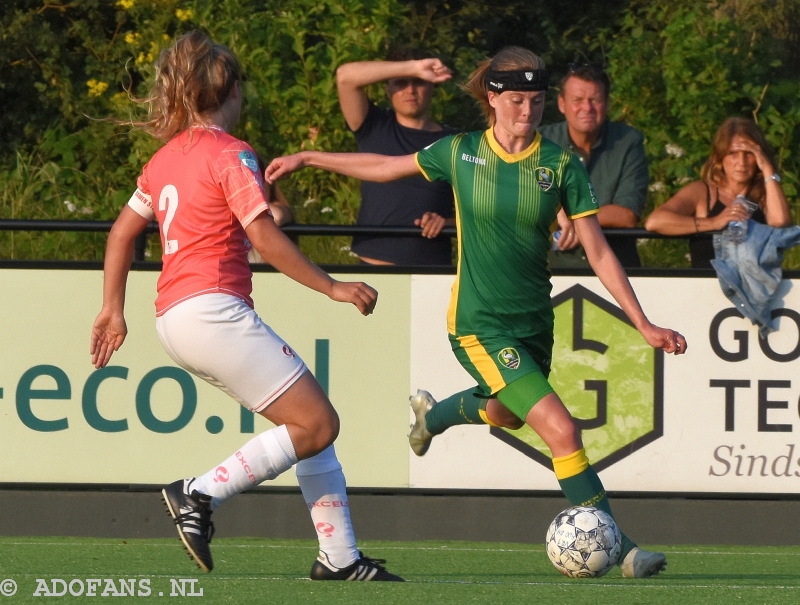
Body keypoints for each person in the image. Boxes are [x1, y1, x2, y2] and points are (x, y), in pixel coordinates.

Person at [266, 46, 687, 579]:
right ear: (492, 98)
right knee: (561, 430)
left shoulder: (559, 164)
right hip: (479, 325)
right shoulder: (461, 152)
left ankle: (432, 415)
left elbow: (598, 250)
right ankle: (624, 550)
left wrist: (642, 324)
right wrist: (310, 157)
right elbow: (383, 167)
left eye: (535, 101)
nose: (527, 112)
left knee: (507, 413)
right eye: (515, 100)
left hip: (535, 323)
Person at [90, 30, 402, 582]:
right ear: (232, 91)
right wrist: (333, 287)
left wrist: (113, 310)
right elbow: (266, 237)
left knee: (307, 423)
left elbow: (120, 235)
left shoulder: (164, 158)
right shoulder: (232, 153)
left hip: (174, 318)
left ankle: (340, 558)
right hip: (213, 311)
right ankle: (199, 494)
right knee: (318, 422)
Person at [336, 48, 457, 265]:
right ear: (387, 89)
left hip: (432, 271)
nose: (410, 90)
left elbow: (485, 209)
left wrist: (448, 223)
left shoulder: (455, 141)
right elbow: (345, 76)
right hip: (372, 268)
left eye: (419, 82)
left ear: (432, 86)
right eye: (400, 83)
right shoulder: (372, 125)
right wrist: (415, 68)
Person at [539, 64, 649, 268]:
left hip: (617, 270)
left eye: (595, 100)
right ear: (562, 104)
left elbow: (626, 215)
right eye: (577, 100)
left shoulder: (629, 142)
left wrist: (572, 221)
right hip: (553, 274)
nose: (587, 108)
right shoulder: (541, 142)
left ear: (607, 104)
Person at [645, 117, 791, 268]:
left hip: (753, 287)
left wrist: (768, 170)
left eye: (749, 154)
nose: (741, 162)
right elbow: (655, 222)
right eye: (733, 153)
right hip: (704, 285)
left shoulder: (764, 194)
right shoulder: (702, 192)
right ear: (720, 157)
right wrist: (713, 222)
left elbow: (780, 222)